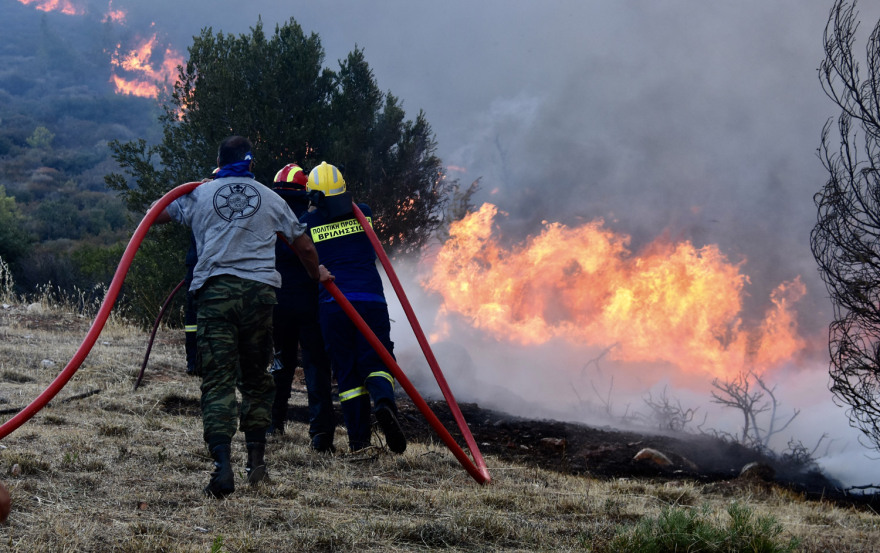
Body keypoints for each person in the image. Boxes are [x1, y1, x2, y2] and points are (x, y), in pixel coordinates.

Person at [154, 136, 332, 498]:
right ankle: (257, 466)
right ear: (251, 164)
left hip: (215, 294)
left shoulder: (200, 195)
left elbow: (155, 214)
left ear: (219, 161)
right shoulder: (271, 197)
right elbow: (304, 246)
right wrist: (318, 276)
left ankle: (222, 468)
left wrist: (190, 191)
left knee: (218, 381)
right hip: (259, 296)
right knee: (255, 379)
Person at [299, 161, 406, 454]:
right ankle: (384, 403)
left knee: (348, 375)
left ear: (315, 197)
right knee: (378, 361)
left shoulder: (307, 224)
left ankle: (360, 444)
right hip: (371, 300)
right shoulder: (365, 213)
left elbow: (298, 248)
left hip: (334, 306)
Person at [268, 163, 337, 452]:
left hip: (278, 303)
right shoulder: (314, 220)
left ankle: (273, 425)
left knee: (280, 365)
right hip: (310, 305)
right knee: (316, 368)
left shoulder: (270, 218)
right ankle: (320, 435)